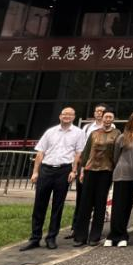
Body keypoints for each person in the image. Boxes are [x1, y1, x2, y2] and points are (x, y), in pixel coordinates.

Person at [20, 107, 85, 251]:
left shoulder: (79, 133)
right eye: (64, 114)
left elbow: (78, 154)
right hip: (46, 169)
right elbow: (40, 152)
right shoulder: (50, 132)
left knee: (58, 206)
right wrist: (35, 172)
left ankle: (51, 237)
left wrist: (74, 171)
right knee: (39, 205)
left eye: (70, 114)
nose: (67, 116)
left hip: (64, 170)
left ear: (74, 117)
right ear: (60, 116)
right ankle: (35, 238)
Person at [73, 109, 118, 247]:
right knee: (85, 203)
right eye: (106, 117)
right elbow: (86, 153)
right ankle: (80, 236)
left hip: (106, 171)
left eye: (110, 117)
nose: (107, 119)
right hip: (90, 170)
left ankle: (95, 236)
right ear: (102, 118)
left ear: (113, 119)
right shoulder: (93, 133)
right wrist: (82, 170)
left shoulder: (117, 134)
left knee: (100, 203)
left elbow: (116, 154)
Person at [67, 104, 105, 239]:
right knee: (81, 198)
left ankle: (94, 231)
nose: (99, 113)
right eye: (97, 111)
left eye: (102, 111)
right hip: (85, 165)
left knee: (97, 200)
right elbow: (81, 147)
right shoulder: (87, 127)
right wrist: (78, 166)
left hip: (101, 168)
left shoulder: (111, 128)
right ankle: (76, 228)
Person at [107, 110, 133, 247]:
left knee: (128, 206)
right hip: (122, 174)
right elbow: (115, 156)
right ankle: (113, 236)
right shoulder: (123, 137)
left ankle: (122, 235)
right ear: (131, 121)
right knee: (118, 206)